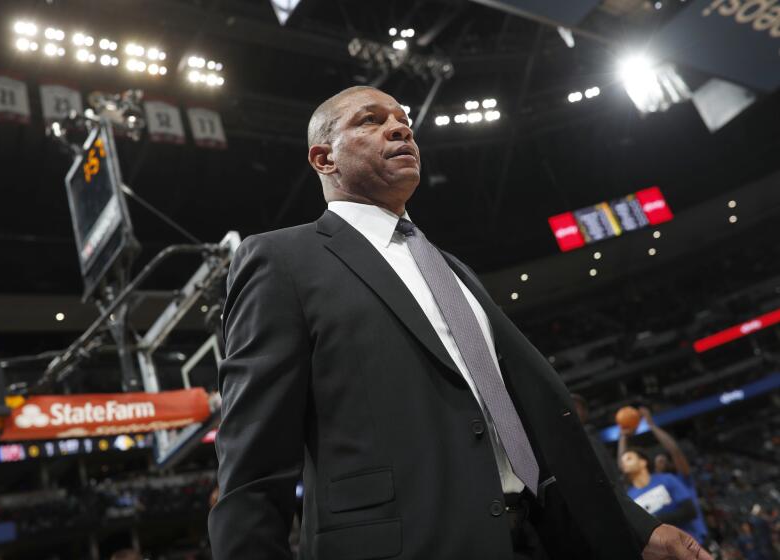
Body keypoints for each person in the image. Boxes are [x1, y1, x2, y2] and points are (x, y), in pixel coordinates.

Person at [208, 85, 711, 560]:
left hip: (540, 538)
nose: (401, 129)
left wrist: (636, 529)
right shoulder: (282, 259)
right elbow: (252, 462)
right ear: (325, 157)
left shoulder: (453, 269)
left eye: (405, 122)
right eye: (372, 120)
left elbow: (524, 422)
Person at [618, 407, 709, 545]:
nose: (661, 461)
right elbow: (623, 461)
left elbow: (675, 451)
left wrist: (651, 425)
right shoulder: (630, 495)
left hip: (692, 546)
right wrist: (623, 436)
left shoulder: (669, 479)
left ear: (644, 462)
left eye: (630, 458)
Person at [621, 448, 702, 538]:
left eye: (629, 458)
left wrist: (655, 521)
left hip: (690, 540)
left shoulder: (667, 479)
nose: (623, 463)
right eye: (622, 461)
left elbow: (690, 511)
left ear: (643, 462)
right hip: (663, 550)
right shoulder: (629, 497)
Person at [571, 393, 623, 488]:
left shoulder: (590, 434)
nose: (572, 411)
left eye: (576, 407)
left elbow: (607, 470)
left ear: (585, 412)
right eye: (569, 408)